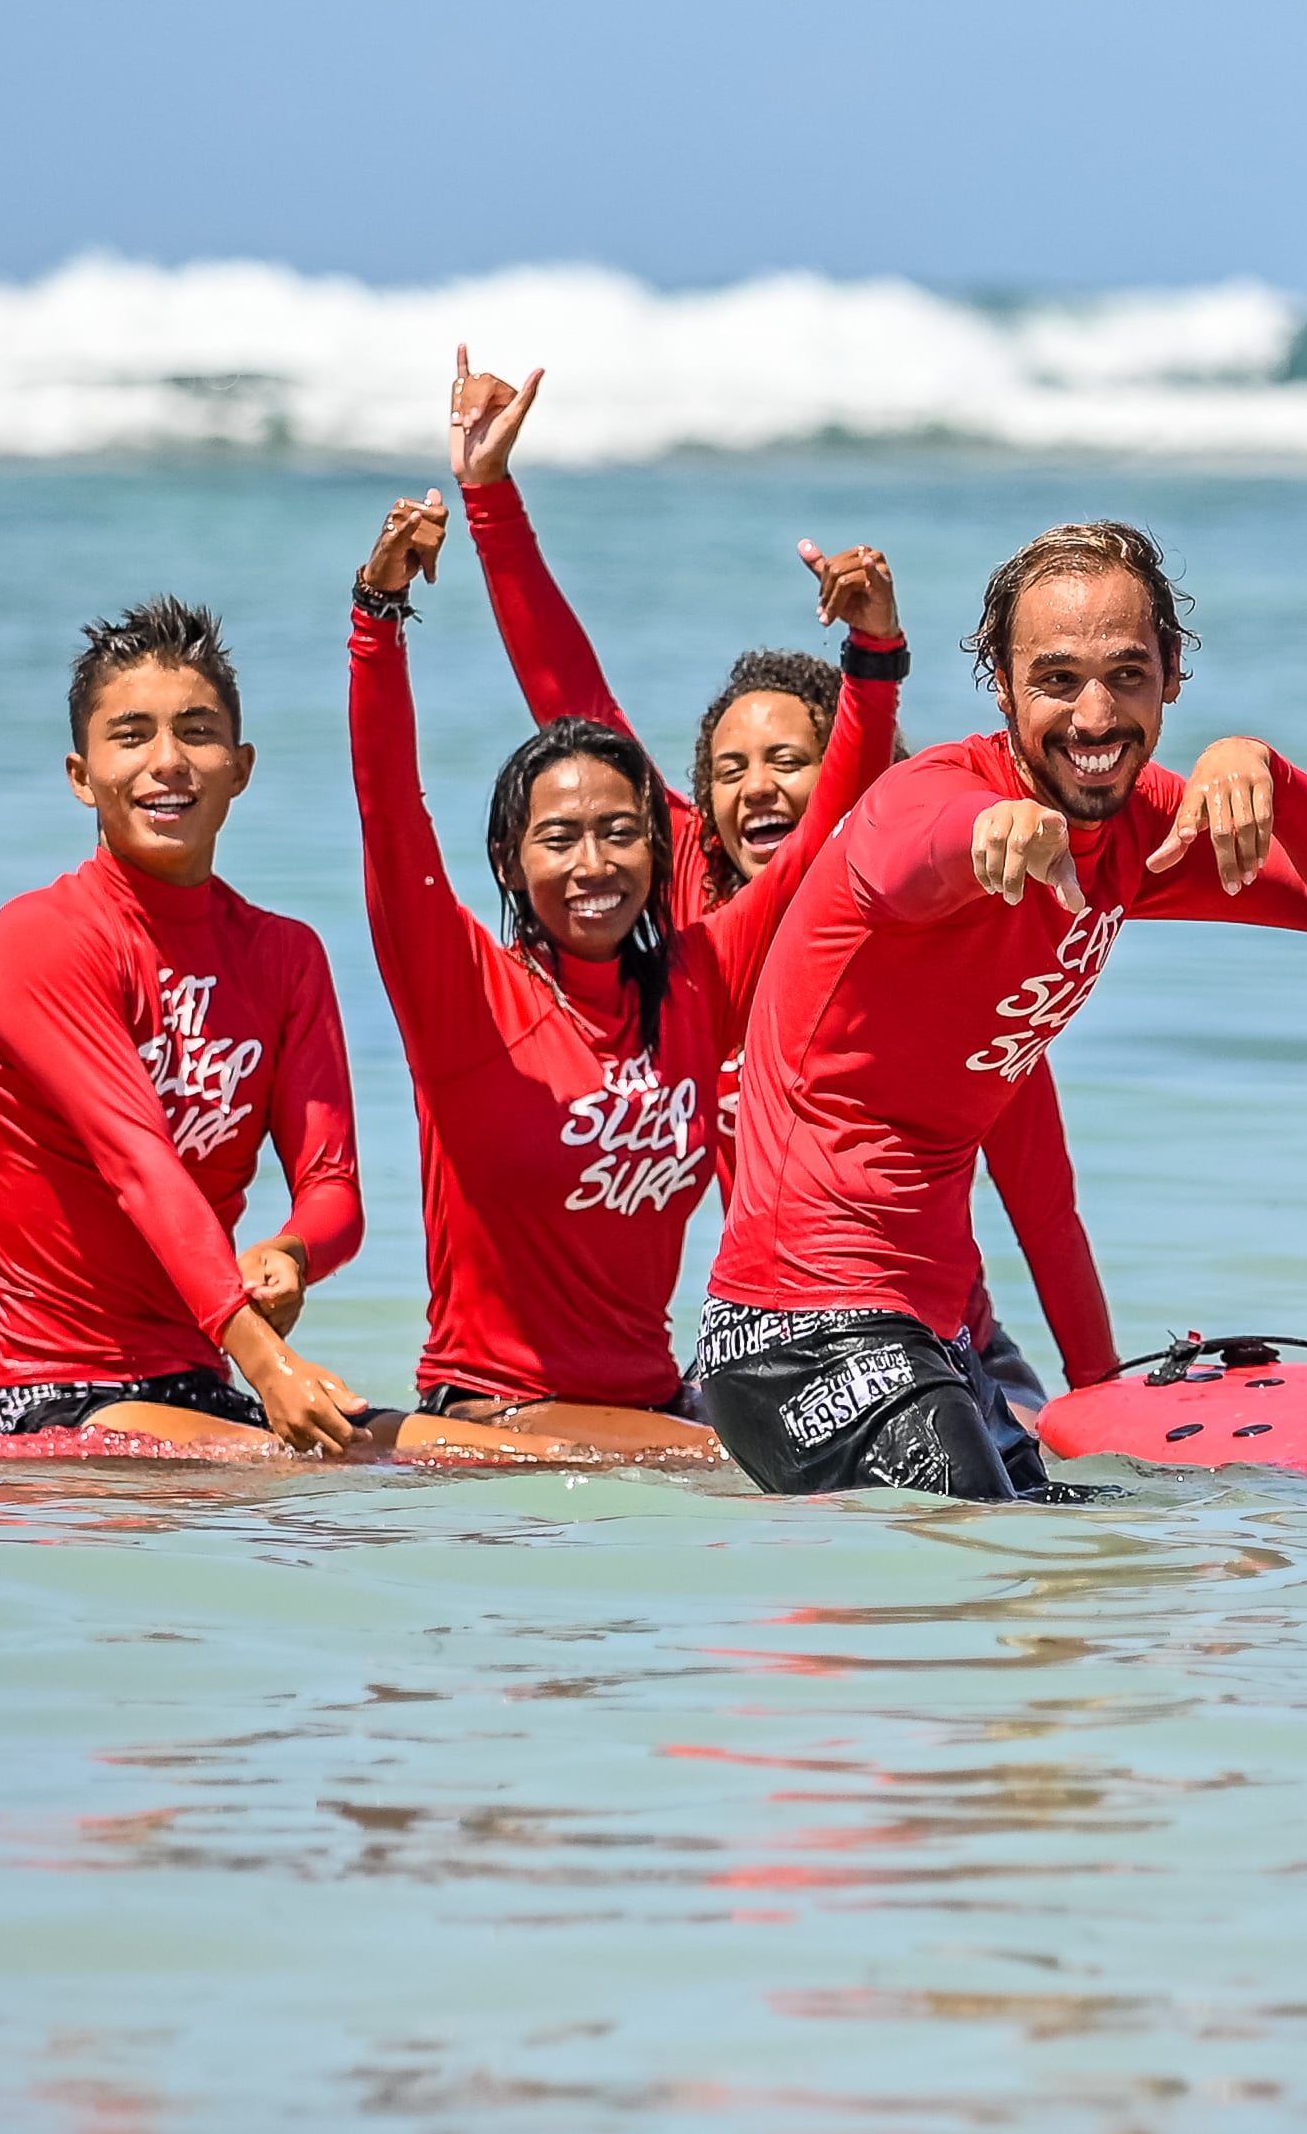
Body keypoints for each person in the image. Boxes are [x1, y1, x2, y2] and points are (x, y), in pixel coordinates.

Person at [437, 346, 1120, 1398]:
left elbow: (1042, 1192)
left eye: (789, 761)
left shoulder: (949, 946)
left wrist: (1103, 1392)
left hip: (953, 1339)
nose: (756, 789)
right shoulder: (686, 919)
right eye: (727, 770)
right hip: (782, 1339)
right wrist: (487, 498)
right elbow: (570, 700)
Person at [696, 520, 1307, 1498]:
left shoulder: (1139, 828)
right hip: (798, 1331)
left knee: (1120, 1553)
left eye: (1127, 674)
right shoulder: (929, 795)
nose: (1093, 714)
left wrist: (1270, 773)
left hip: (936, 1337)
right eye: (1056, 677)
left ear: (1172, 678)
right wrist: (988, 832)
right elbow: (907, 860)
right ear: (1000, 681)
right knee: (992, 1571)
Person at [347, 492, 909, 1455]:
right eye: (557, 838)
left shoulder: (700, 978)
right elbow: (391, 812)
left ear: (659, 848)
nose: (592, 865)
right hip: (497, 1423)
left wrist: (873, 659)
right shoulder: (461, 990)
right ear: (511, 859)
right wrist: (378, 617)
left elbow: (828, 834)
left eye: (618, 833)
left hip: (655, 1414)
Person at [0, 597, 374, 1450]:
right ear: (81, 774)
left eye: (195, 731)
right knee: (330, 1477)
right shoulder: (42, 937)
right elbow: (139, 1165)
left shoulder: (285, 956)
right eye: (132, 734)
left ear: (241, 764)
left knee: (460, 1463)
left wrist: (292, 1254)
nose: (167, 762)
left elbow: (334, 1191)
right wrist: (271, 1367)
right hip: (50, 1393)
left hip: (199, 1376)